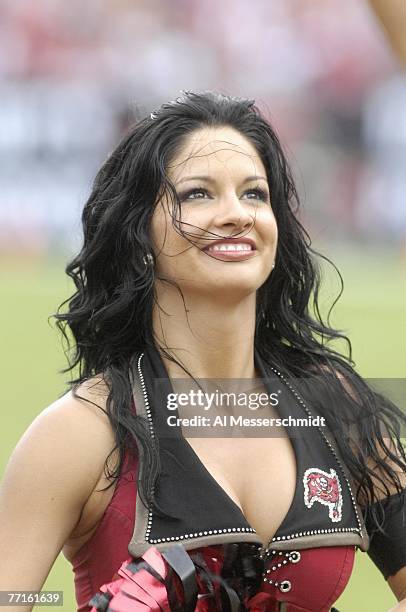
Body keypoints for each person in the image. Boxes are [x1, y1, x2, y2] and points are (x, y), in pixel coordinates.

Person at [0, 91, 405, 612]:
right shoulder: (79, 432)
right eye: (197, 194)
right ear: (139, 232)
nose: (236, 214)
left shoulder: (336, 407)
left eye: (255, 194)